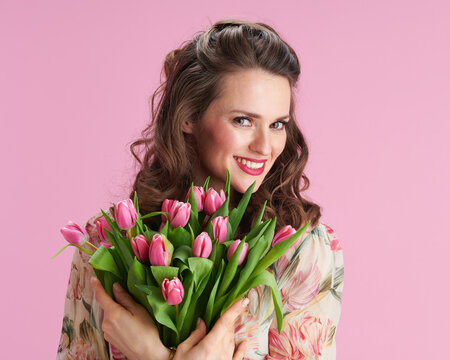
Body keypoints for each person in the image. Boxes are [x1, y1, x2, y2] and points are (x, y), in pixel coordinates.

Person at [57, 19, 344, 360]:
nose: (266, 146)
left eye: (277, 124)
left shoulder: (300, 251)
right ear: (188, 116)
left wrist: (154, 356)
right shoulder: (105, 242)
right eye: (243, 120)